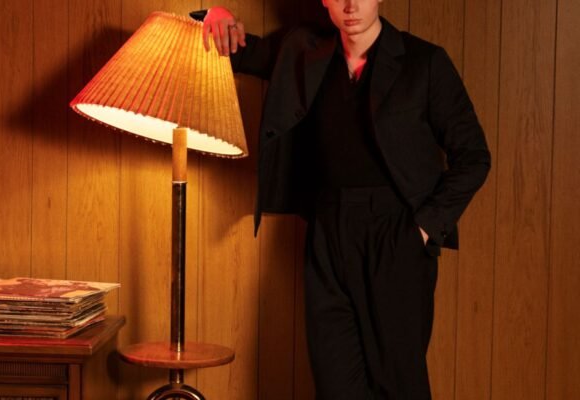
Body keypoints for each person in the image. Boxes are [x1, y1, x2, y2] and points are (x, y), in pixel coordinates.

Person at [200, 1, 490, 399]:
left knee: (398, 386)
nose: (351, 5)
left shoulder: (425, 62)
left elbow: (474, 156)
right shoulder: (302, 50)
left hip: (396, 235)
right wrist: (212, 13)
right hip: (327, 232)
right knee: (335, 387)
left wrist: (423, 230)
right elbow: (234, 49)